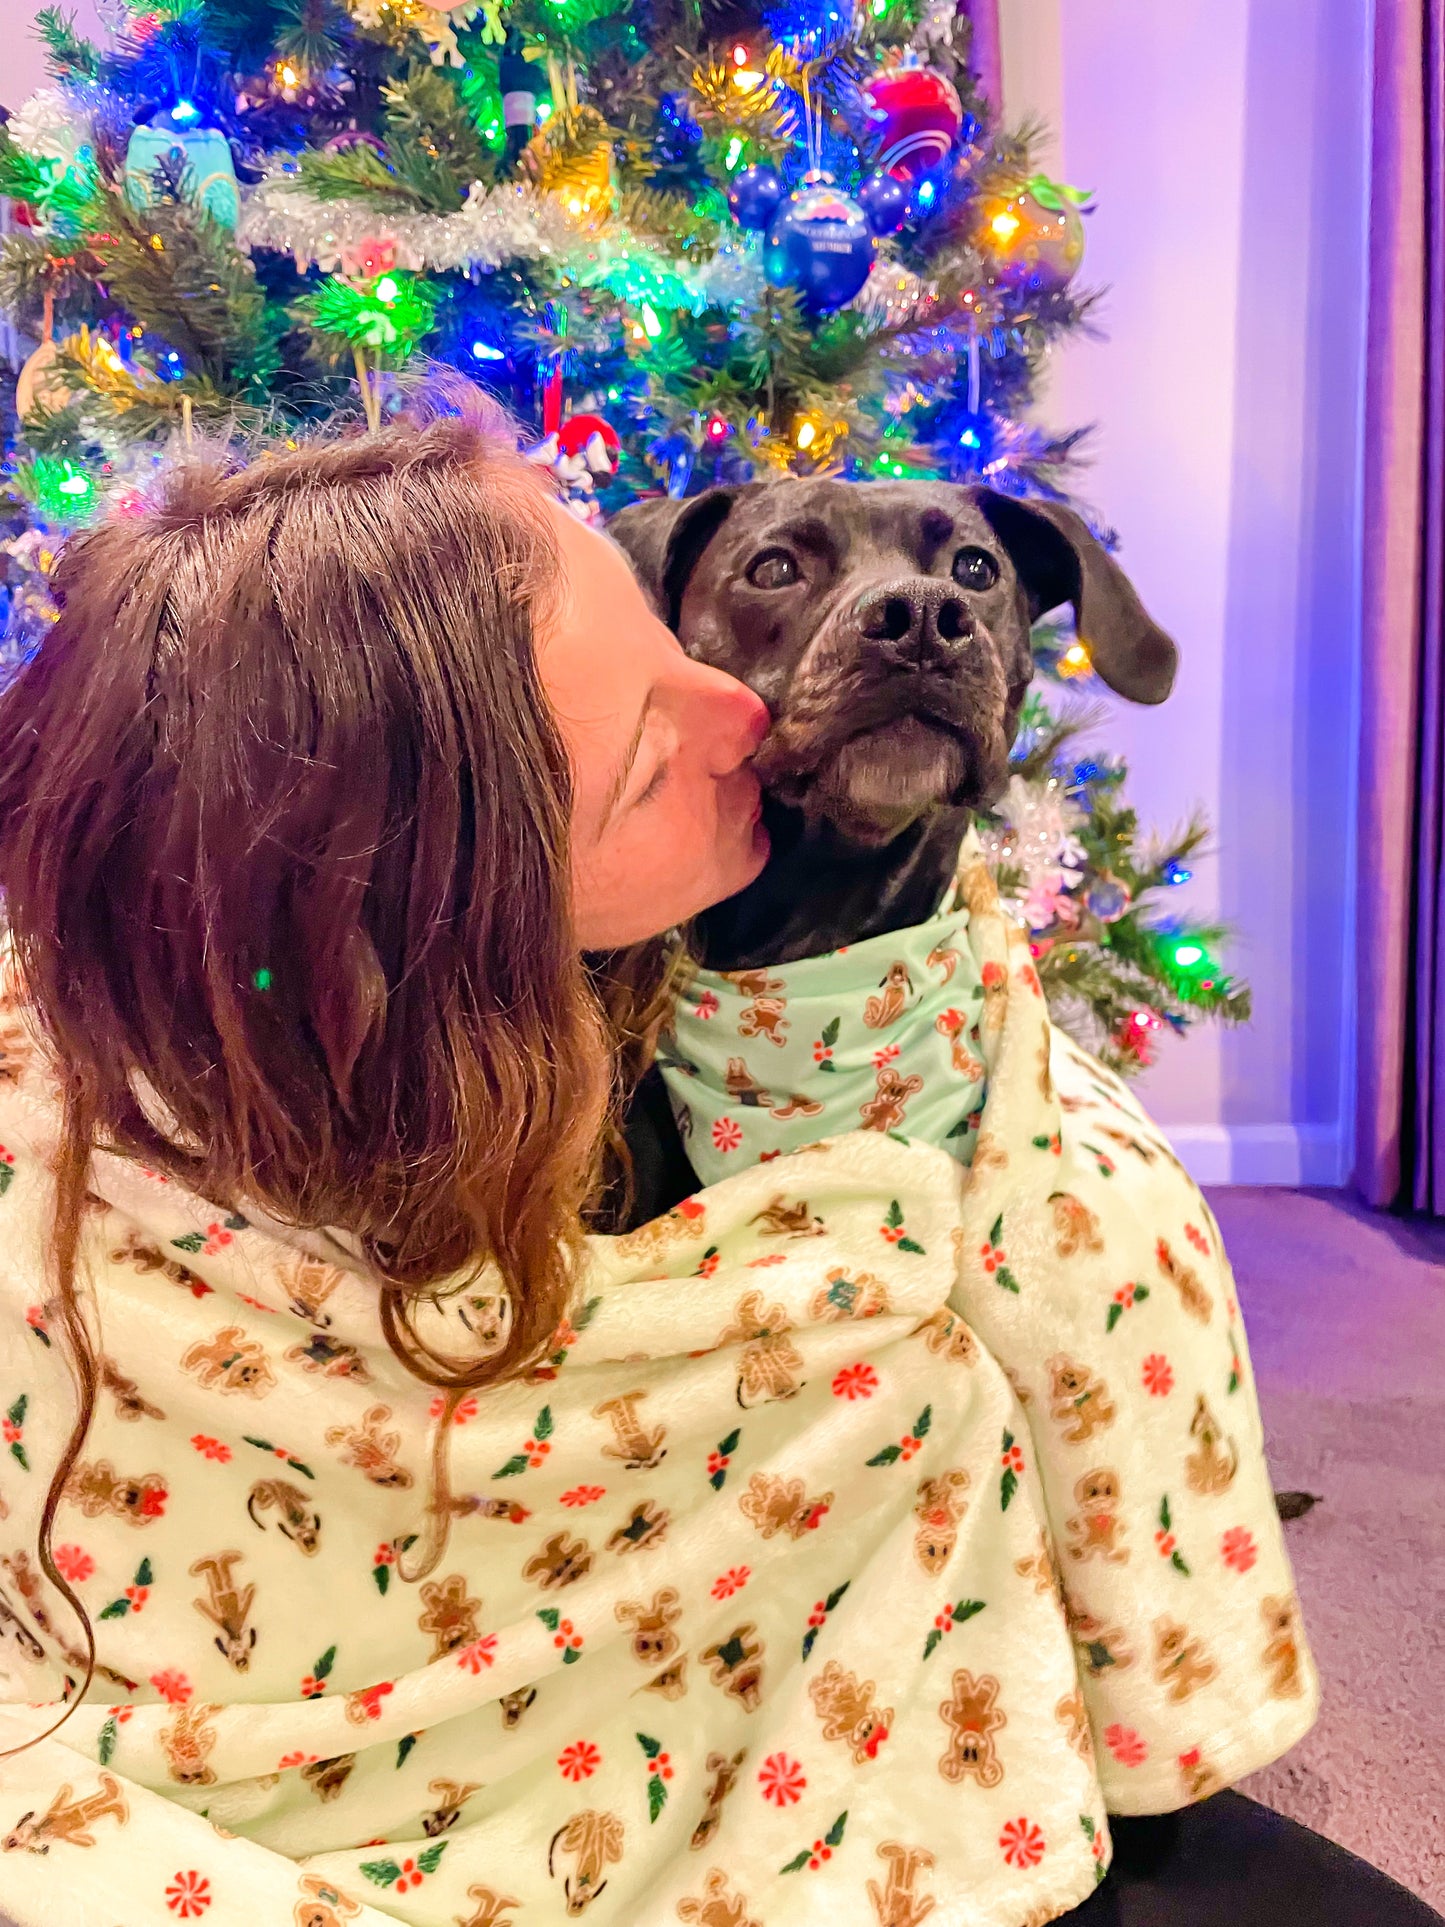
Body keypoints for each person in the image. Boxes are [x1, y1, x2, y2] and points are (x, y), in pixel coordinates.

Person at [0, 396, 1434, 1927]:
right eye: (644, 755)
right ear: (453, 884)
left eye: (664, 645)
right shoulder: (115, 1204)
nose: (743, 720)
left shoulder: (1017, 1139)